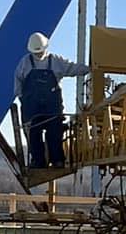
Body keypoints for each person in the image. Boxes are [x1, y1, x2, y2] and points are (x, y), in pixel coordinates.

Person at [12, 31, 80, 169]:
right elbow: (17, 83)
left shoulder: (56, 61)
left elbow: (72, 67)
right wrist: (22, 98)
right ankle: (38, 162)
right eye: (35, 52)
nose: (38, 54)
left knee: (55, 134)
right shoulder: (25, 63)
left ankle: (57, 161)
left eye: (40, 51)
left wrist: (89, 69)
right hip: (32, 108)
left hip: (52, 107)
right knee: (33, 135)